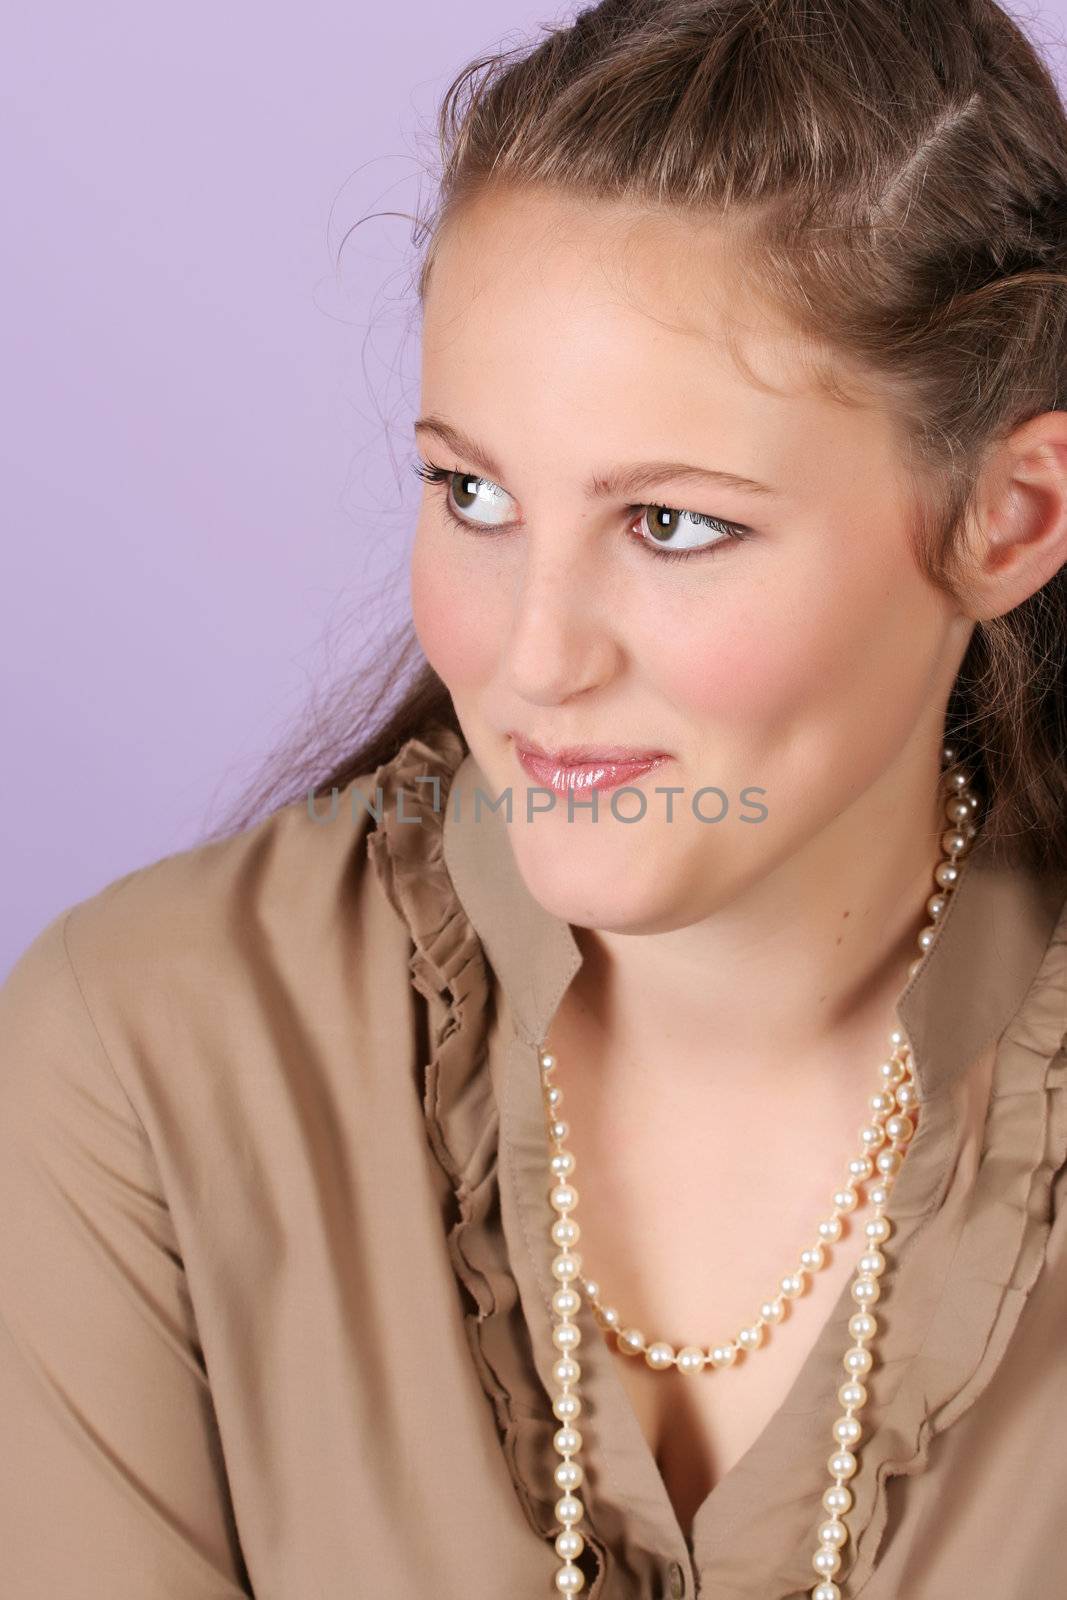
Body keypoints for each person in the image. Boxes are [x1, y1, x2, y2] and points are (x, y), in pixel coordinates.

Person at [3, 0, 1067, 1595]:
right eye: (473, 494)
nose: (530, 655)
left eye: (673, 524)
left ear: (1010, 516)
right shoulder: (151, 1057)